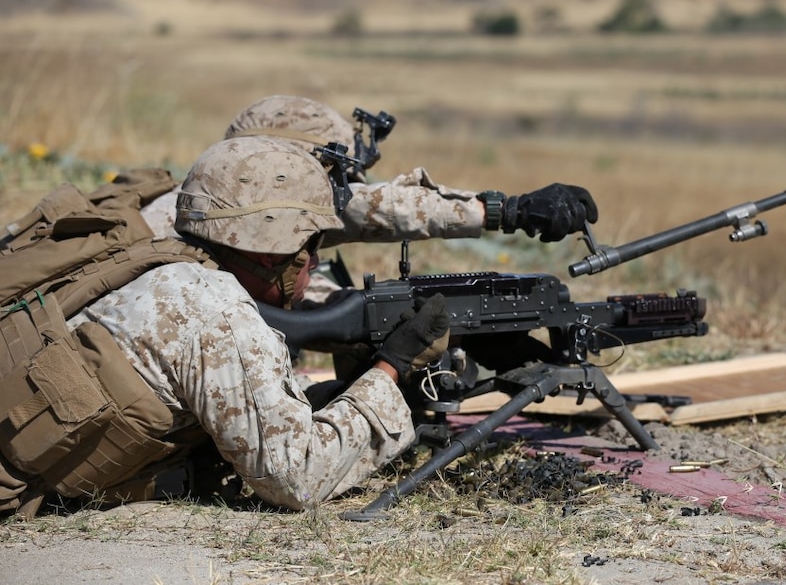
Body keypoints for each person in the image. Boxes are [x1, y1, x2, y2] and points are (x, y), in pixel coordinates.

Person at [1, 136, 452, 514]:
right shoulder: (216, 313)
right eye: (310, 242)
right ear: (271, 249)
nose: (316, 259)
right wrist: (392, 367)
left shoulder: (165, 259)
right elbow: (298, 479)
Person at [141, 94, 599, 250]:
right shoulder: (253, 207)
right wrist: (506, 211)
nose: (341, 184)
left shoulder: (201, 196)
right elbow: (371, 208)